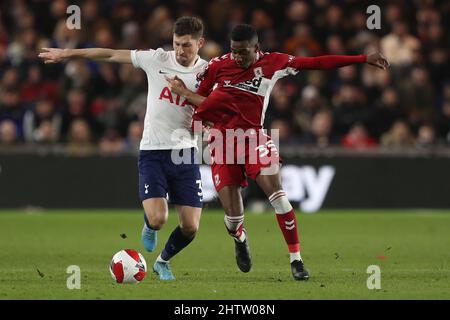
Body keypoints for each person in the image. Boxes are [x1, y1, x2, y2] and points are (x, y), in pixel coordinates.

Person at [167, 24, 389, 280]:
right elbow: (199, 99)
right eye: (234, 51)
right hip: (222, 143)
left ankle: (296, 259)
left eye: (243, 52)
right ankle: (240, 238)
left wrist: (361, 58)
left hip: (254, 138)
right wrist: (200, 117)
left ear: (256, 48)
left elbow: (316, 62)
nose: (238, 57)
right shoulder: (218, 66)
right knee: (233, 220)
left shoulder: (275, 63)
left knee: (279, 197)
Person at [39, 16, 207, 280]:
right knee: (158, 219)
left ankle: (163, 262)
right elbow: (110, 55)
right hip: (153, 151)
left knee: (190, 227)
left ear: (200, 43)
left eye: (186, 45)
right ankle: (148, 225)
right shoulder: (158, 60)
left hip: (185, 153)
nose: (180, 51)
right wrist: (69, 53)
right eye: (176, 44)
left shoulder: (208, 72)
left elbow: (215, 107)